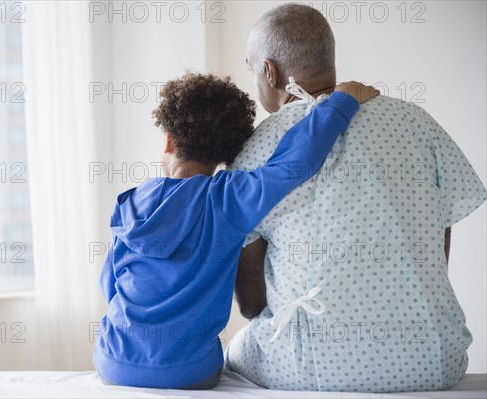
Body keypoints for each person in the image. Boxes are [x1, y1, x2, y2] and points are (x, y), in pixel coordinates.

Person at [225, 3, 487, 393]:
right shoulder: (416, 122)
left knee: (232, 350)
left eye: (252, 69)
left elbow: (251, 302)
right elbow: (437, 243)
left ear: (270, 71)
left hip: (306, 367)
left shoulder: (255, 149)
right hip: (434, 361)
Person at [93, 72, 377, 389]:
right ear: (226, 153)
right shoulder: (227, 199)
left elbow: (109, 284)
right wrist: (342, 102)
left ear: (169, 139)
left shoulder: (128, 203)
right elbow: (292, 164)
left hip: (113, 362)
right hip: (191, 372)